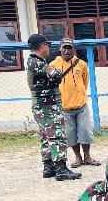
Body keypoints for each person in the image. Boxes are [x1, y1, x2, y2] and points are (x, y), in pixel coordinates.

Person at [25, 33, 81, 181]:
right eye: (46, 45)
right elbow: (56, 76)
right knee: (57, 135)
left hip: (43, 105)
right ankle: (61, 169)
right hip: (47, 105)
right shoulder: (37, 63)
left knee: (46, 136)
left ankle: (49, 167)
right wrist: (55, 73)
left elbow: (55, 75)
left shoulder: (37, 61)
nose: (48, 48)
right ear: (41, 46)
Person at [50, 37, 100, 168]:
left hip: (81, 105)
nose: (67, 51)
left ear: (74, 49)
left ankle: (87, 157)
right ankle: (78, 158)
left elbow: (85, 82)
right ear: (60, 49)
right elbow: (50, 83)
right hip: (64, 107)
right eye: (64, 48)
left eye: (69, 48)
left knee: (85, 132)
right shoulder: (53, 65)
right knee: (70, 134)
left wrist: (79, 94)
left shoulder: (81, 64)